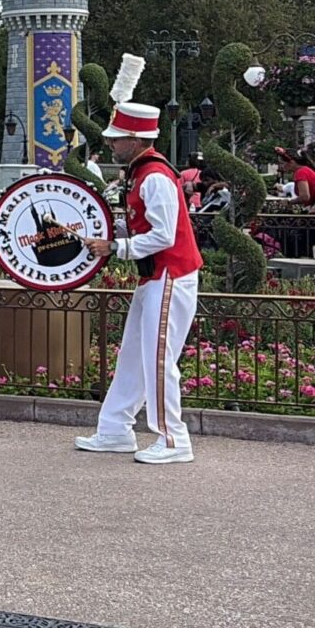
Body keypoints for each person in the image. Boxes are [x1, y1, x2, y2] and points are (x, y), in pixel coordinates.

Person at [75, 63, 202, 465]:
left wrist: (115, 247)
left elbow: (164, 235)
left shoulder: (154, 177)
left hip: (170, 274)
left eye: (116, 139)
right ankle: (114, 429)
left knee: (158, 359)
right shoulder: (140, 172)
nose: (111, 144)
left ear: (134, 139)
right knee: (133, 354)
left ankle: (173, 439)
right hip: (155, 276)